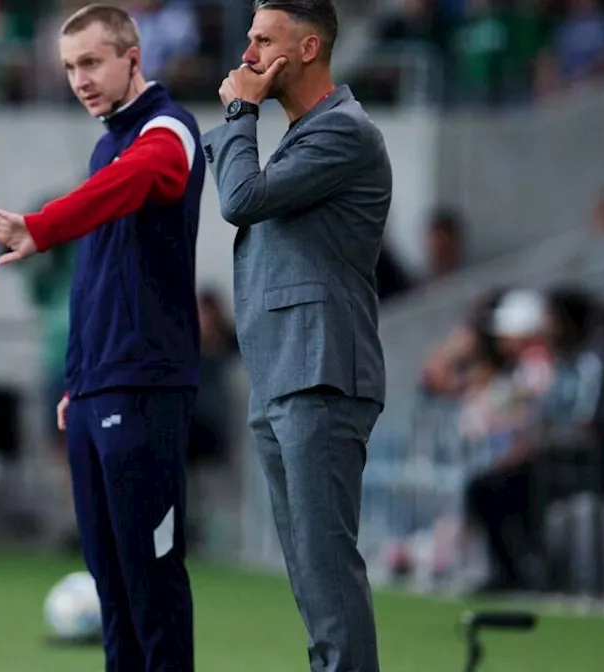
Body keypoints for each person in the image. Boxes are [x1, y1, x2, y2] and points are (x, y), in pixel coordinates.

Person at [0, 4, 204, 669]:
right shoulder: (106, 146)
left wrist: (41, 226)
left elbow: (133, 184)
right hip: (97, 389)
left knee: (151, 586)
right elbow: (92, 284)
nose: (80, 79)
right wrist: (78, 378)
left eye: (92, 62)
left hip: (147, 384)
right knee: (112, 590)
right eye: (69, 67)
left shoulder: (169, 129)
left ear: (134, 58)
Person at [199, 1, 390, 670]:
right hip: (284, 371)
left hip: (322, 370)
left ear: (307, 49)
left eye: (262, 39)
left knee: (326, 568)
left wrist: (237, 115)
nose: (246, 53)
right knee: (312, 572)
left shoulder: (344, 134)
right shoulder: (305, 136)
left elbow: (239, 200)